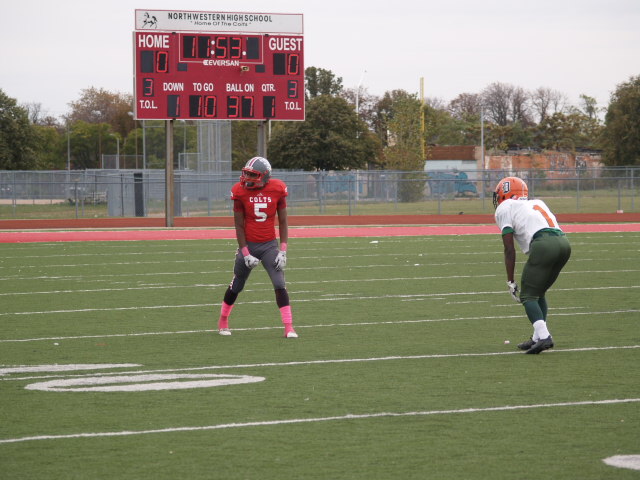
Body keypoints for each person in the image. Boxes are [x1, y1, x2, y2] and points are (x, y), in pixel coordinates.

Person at [217, 156, 298, 338]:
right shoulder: (240, 191)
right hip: (249, 245)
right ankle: (223, 320)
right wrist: (245, 253)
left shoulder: (277, 188)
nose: (247, 178)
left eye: (253, 175)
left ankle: (289, 327)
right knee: (237, 285)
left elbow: (283, 222)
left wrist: (283, 250)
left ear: (265, 176)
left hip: (269, 245)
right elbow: (239, 226)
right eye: (247, 173)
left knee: (279, 283)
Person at [493, 176, 571, 354]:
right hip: (564, 243)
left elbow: (509, 249)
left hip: (544, 245)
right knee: (538, 292)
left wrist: (510, 280)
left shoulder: (505, 207)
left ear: (505, 193)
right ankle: (537, 337)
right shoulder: (537, 202)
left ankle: (544, 337)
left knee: (528, 295)